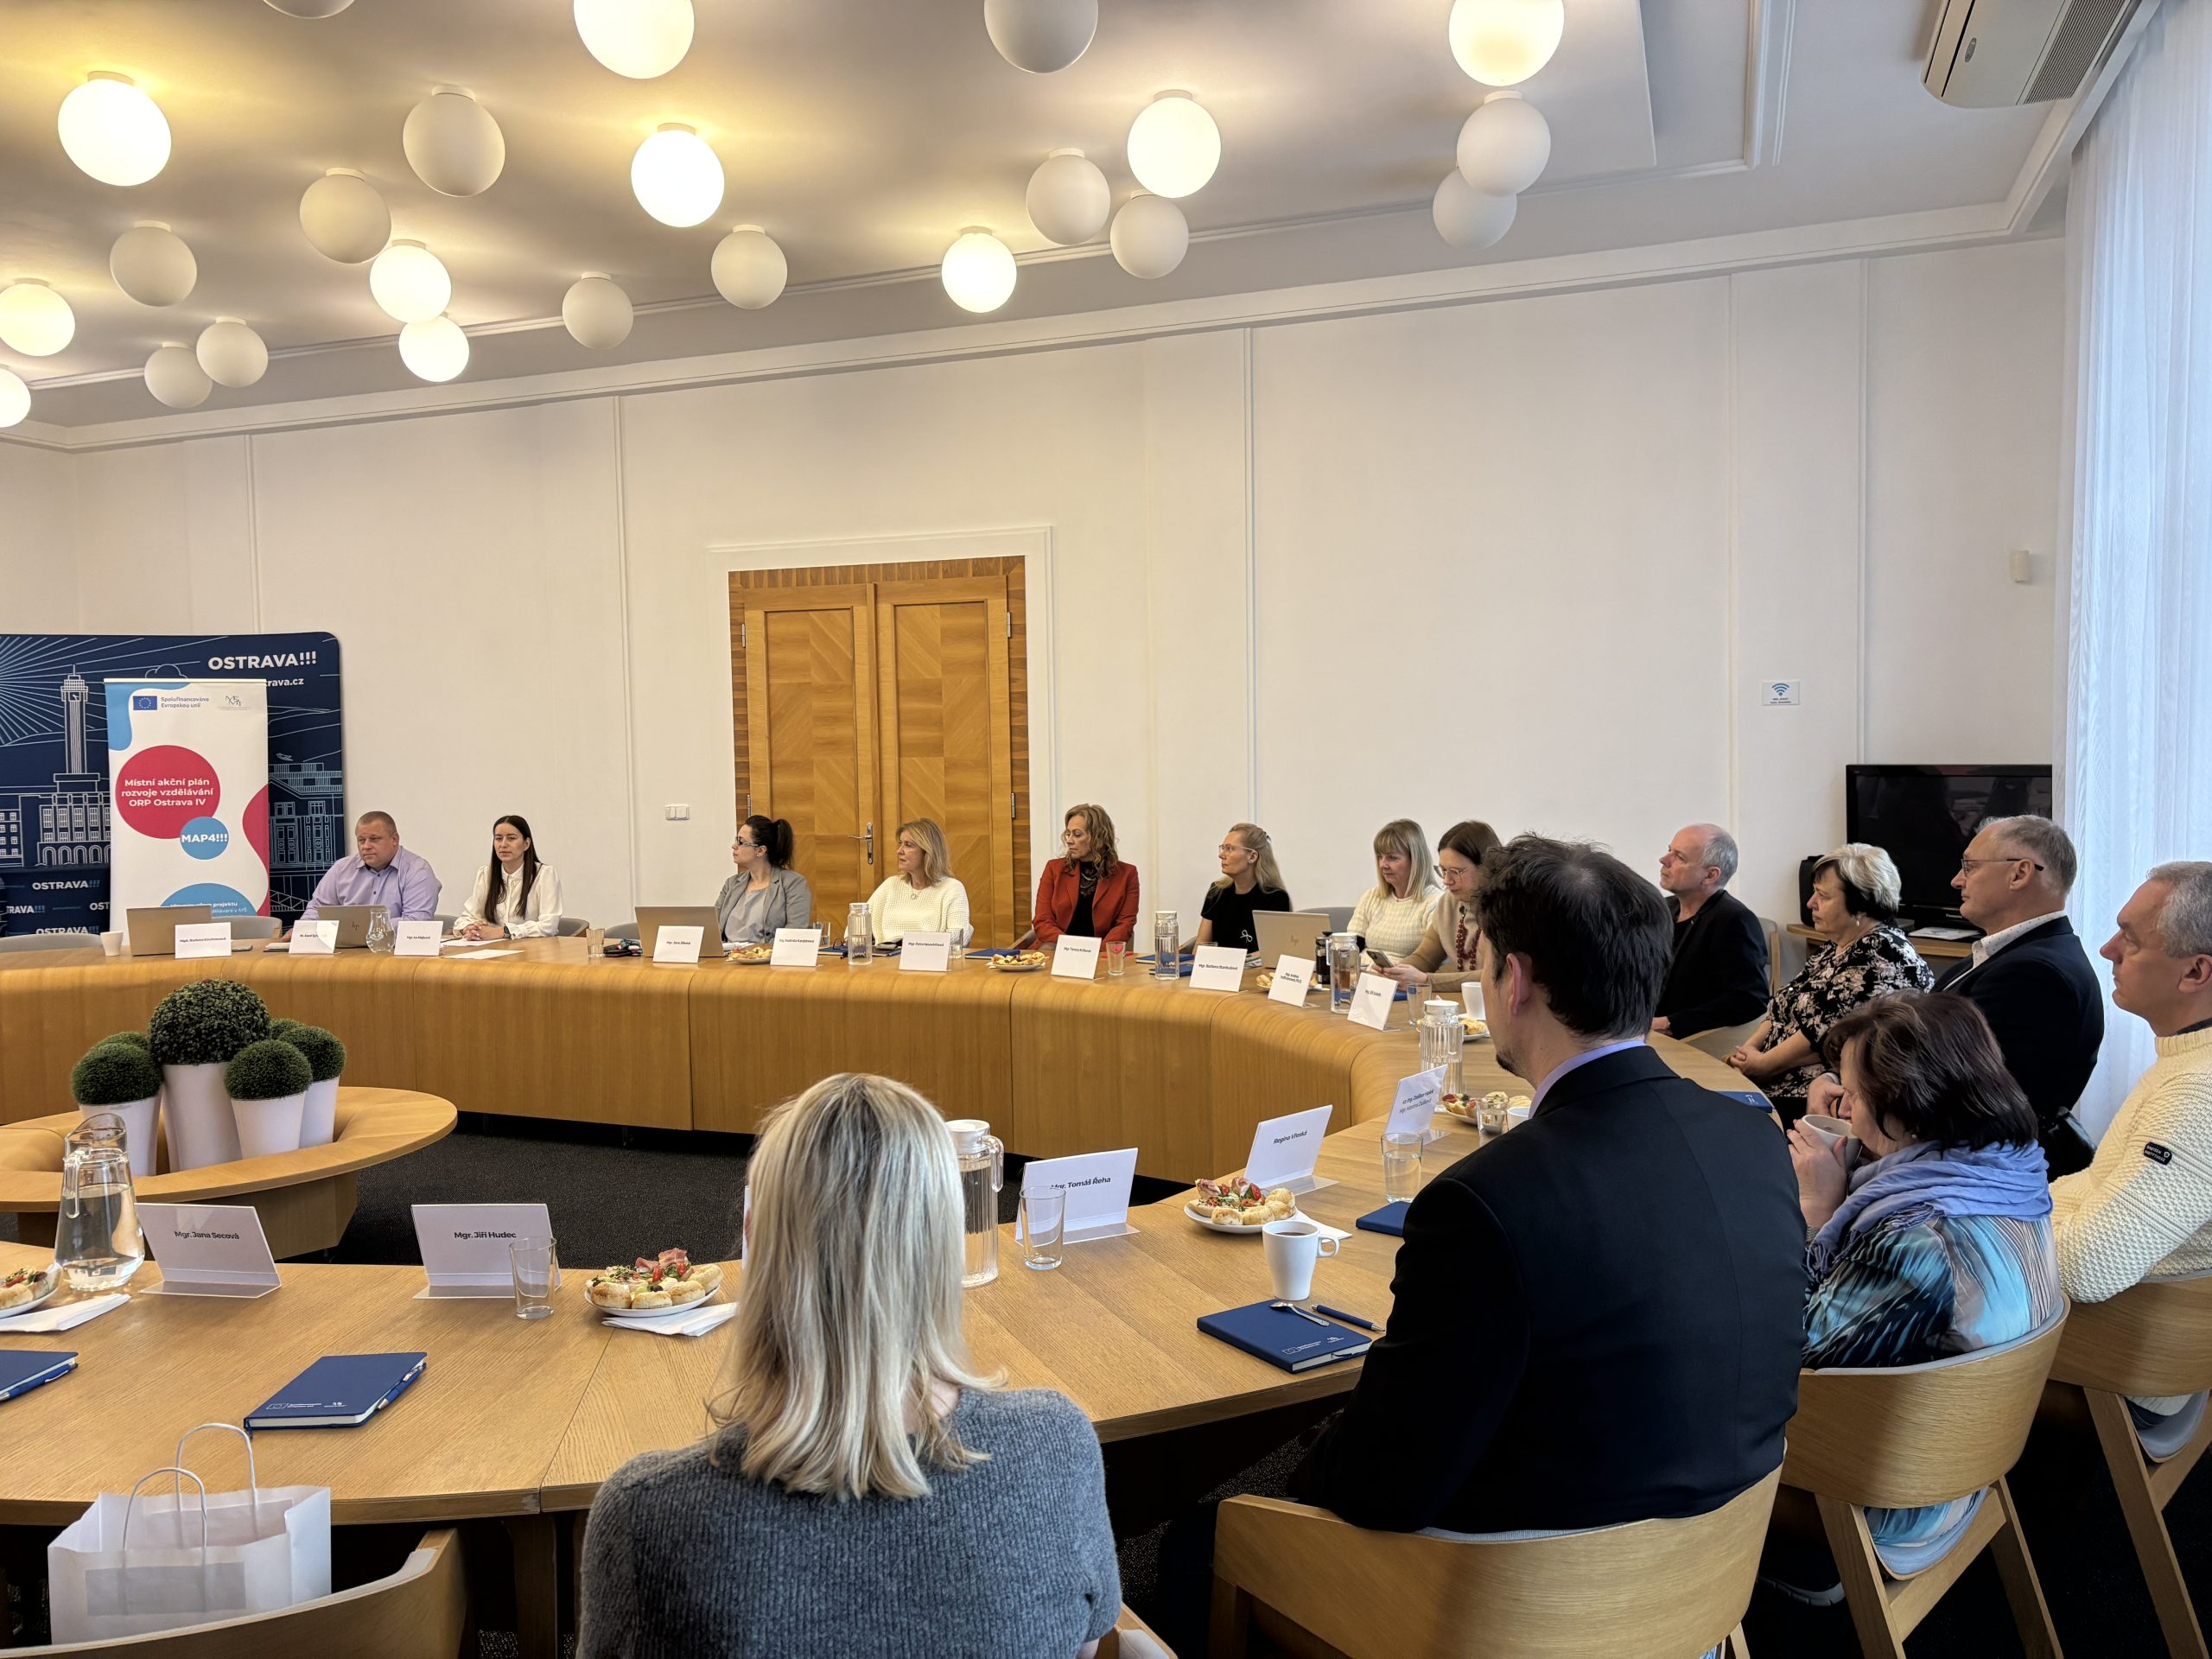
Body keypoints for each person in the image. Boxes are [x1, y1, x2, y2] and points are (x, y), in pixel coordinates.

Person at [1289, 836, 1804, 1533]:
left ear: (1516, 980)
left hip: (1522, 1583)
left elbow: (1380, 1485)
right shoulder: (1754, 1136)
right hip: (1728, 1551)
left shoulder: (1483, 1201)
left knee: (1205, 1541)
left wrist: (1298, 1470)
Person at [578, 1073, 1120, 1657]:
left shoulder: (647, 1514)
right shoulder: (1057, 1445)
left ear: (755, 1239)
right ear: (944, 1243)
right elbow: (1084, 1645)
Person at [1771, 993, 2058, 1596]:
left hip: (1884, 1492)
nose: (1843, 1105)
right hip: (1958, 1459)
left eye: (1853, 1094)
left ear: (1910, 1108)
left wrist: (1816, 1211)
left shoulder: (1921, 1239)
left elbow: (1788, 1352)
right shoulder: (2009, 1172)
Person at [2050, 862, 2212, 1445]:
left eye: (2131, 938)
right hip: (2135, 1340)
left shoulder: (2198, 1095)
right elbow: (2098, 1193)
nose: (2107, 949)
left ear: (2196, 971)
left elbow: (2088, 1266)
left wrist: (1991, 1224)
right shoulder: (2187, 1065)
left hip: (2124, 1364)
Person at [1728, 844, 1933, 1120]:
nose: (1810, 903)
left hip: (1815, 1097)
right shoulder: (1834, 946)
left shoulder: (1883, 953)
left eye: (1823, 896)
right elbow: (1781, 1009)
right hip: (1769, 1078)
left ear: (1861, 904)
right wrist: (1749, 1052)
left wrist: (1763, 1065)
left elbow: (1825, 1037)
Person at [1651, 823, 1770, 1039]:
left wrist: (1670, 1023)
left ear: (1710, 875)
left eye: (1679, 857)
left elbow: (1749, 1000)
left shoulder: (1734, 920)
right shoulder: (1664, 909)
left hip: (1693, 1041)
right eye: (1669, 850)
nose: (1664, 860)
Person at [1382, 818, 1502, 996]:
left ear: (1486, 866)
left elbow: (1496, 975)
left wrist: (1426, 981)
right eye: (1443, 870)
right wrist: (1395, 972)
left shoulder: (1508, 908)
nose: (1446, 880)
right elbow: (1424, 957)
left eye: (1456, 871)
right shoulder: (1448, 902)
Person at [297, 810, 440, 925]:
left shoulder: (417, 870)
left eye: (374, 839)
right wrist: (302, 931)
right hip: (346, 949)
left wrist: (364, 929)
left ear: (394, 839)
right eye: (361, 840)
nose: (366, 846)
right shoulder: (341, 868)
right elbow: (317, 909)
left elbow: (416, 923)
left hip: (395, 949)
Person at [1033, 804, 1140, 945]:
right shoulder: (1054, 868)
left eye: (1077, 835)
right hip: (1056, 948)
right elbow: (1042, 921)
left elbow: (1125, 925)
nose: (1069, 840)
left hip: (1101, 953)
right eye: (1068, 833)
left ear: (1098, 838)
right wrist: (1073, 948)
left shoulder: (1127, 874)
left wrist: (1095, 951)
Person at [454, 815, 563, 940]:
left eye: (511, 838)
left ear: (526, 844)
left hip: (530, 949)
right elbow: (467, 917)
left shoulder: (544, 874)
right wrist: (470, 928)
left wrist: (503, 931)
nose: (503, 844)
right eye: (498, 839)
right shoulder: (486, 874)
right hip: (492, 948)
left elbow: (549, 926)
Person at [1346, 818, 1442, 960]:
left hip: (1404, 973)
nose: (1382, 865)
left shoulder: (1435, 901)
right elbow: (1351, 947)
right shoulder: (1371, 897)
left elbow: (1431, 959)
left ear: (1415, 860)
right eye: (1380, 857)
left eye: (1392, 858)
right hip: (1364, 972)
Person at [864, 819, 971, 945]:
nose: (899, 851)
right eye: (901, 843)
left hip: (928, 956)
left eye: (908, 845)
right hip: (885, 955)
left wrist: (912, 944)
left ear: (928, 852)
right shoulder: (891, 884)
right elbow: (856, 926)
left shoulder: (952, 888)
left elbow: (959, 936)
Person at [1190, 822, 1293, 953]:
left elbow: (1273, 953)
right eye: (1222, 848)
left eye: (1229, 849)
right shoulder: (1216, 891)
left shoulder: (1276, 898)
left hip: (1255, 967)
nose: (1221, 855)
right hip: (1217, 965)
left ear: (1252, 856)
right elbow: (1200, 948)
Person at [716, 816, 812, 946]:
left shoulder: (793, 884)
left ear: (760, 850)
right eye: (736, 840)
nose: (734, 846)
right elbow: (713, 926)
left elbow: (794, 934)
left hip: (768, 956)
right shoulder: (731, 883)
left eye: (741, 842)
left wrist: (758, 953)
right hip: (728, 956)